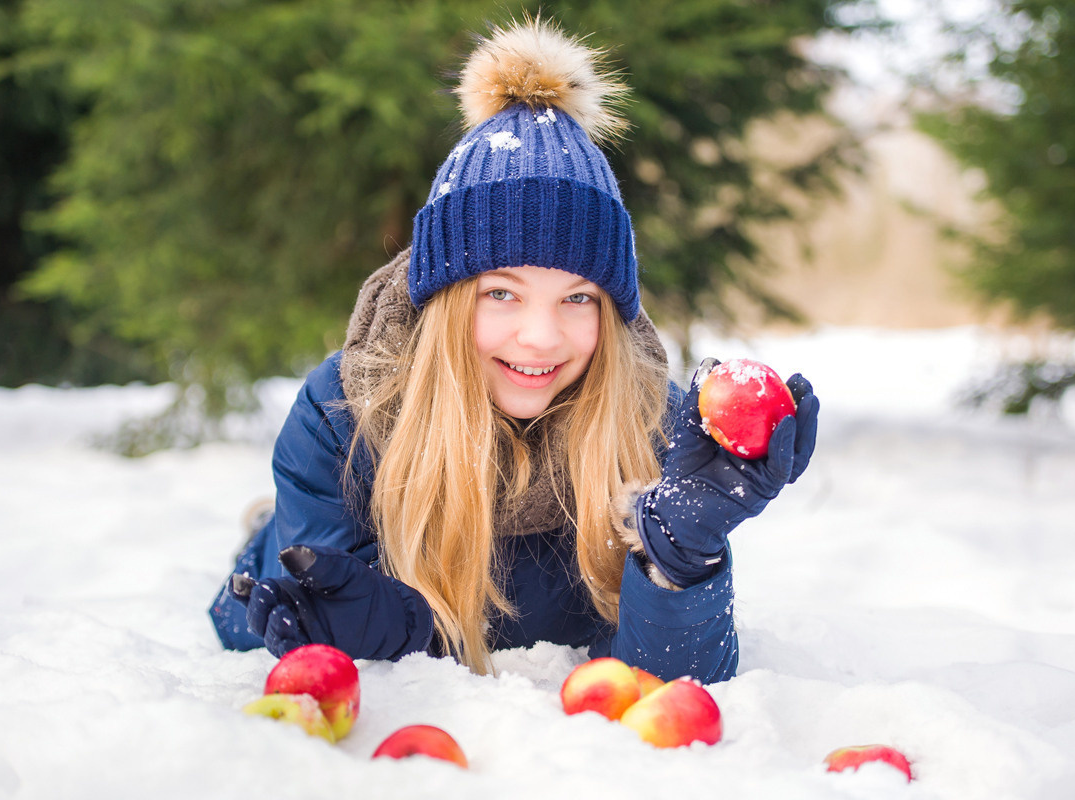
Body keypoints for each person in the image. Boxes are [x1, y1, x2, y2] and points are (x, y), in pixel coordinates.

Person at [208, 18, 819, 683]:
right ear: (446, 298)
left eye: (578, 298)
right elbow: (297, 640)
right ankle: (263, 526)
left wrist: (679, 558)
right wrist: (389, 625)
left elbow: (674, 681)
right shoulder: (343, 416)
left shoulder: (658, 432)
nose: (541, 336)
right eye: (501, 293)